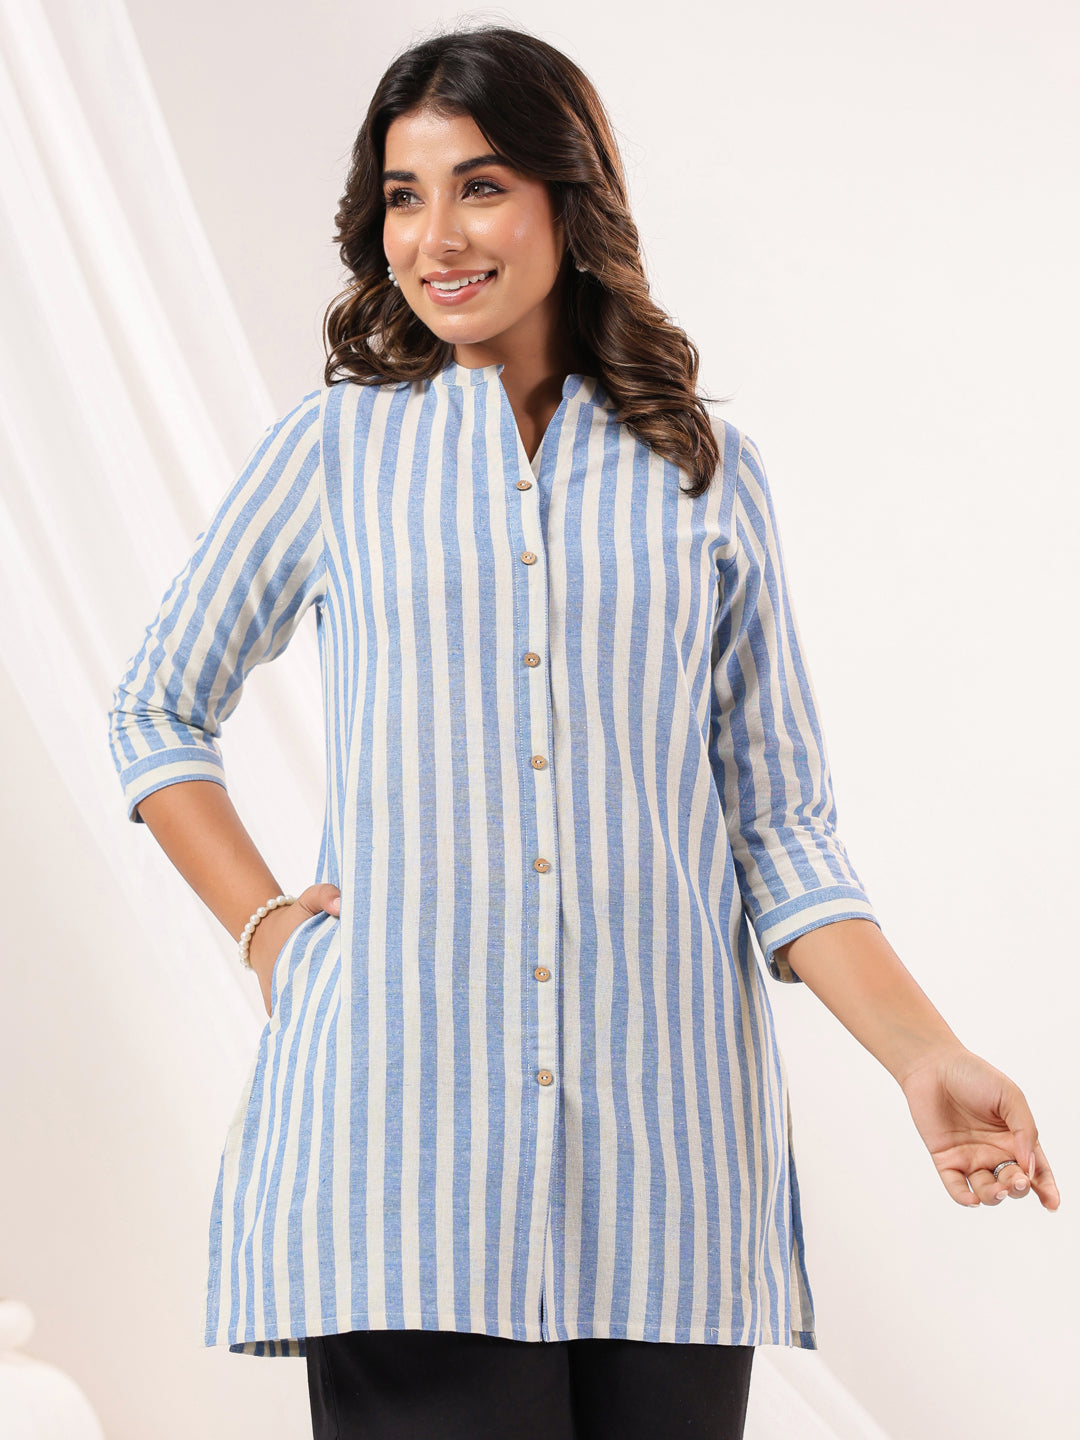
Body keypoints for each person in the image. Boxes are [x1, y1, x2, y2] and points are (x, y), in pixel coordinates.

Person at [106, 21, 1060, 1440]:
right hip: (400, 1168)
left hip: (672, 1179)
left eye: (480, 186)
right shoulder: (334, 451)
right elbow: (156, 705)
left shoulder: (703, 472)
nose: (437, 236)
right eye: (404, 196)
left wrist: (926, 1055)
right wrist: (267, 932)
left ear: (572, 198)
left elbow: (780, 830)